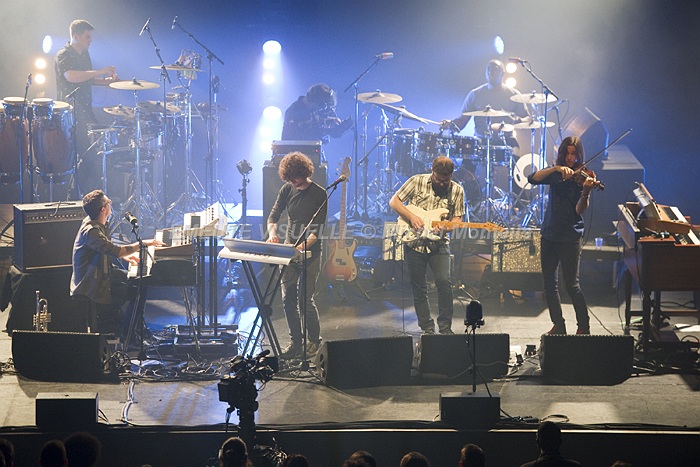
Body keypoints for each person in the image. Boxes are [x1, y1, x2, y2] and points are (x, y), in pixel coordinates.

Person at [389, 156, 465, 335]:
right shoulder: (417, 181)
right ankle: (427, 327)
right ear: (432, 172)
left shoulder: (457, 190)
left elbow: (457, 218)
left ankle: (445, 327)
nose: (442, 183)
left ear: (451, 175)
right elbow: (394, 201)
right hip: (414, 242)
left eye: (446, 180)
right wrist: (411, 216)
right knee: (419, 287)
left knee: (444, 282)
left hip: (439, 243)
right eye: (439, 179)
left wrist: (447, 227)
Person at [70, 189, 163, 334]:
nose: (111, 204)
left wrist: (124, 257)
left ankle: (131, 328)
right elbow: (115, 250)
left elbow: (105, 249)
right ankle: (128, 333)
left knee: (140, 282)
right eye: (108, 202)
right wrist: (143, 243)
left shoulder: (96, 223)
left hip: (102, 274)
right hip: (92, 283)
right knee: (137, 287)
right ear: (103, 209)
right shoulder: (91, 231)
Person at [526, 136, 594, 335]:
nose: (570, 158)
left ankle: (584, 327)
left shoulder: (583, 178)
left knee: (571, 285)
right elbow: (532, 178)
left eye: (574, 154)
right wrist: (556, 168)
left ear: (579, 155)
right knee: (549, 284)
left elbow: (580, 210)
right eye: (567, 153)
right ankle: (559, 325)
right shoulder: (557, 174)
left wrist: (586, 192)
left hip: (570, 236)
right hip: (550, 233)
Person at [267, 152, 327, 358]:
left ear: (305, 173)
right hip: (289, 249)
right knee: (288, 299)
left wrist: (302, 246)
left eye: (296, 178)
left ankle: (314, 341)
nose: (293, 182)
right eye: (290, 178)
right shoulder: (287, 189)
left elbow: (317, 231)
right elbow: (273, 216)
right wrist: (272, 234)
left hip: (311, 252)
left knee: (305, 300)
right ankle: (296, 342)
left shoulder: (319, 194)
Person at [54, 19, 119, 193]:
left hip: (85, 111)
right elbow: (71, 76)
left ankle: (79, 192)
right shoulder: (64, 54)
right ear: (76, 36)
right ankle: (76, 194)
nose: (90, 40)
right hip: (71, 114)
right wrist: (100, 71)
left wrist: (106, 82)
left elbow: (87, 79)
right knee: (89, 155)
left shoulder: (84, 54)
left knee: (94, 155)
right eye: (87, 36)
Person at [442, 59, 529, 151]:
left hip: (506, 141)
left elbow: (528, 119)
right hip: (480, 142)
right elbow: (462, 122)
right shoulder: (475, 94)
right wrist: (450, 124)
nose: (490, 72)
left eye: (495, 69)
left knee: (515, 151)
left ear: (503, 73)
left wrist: (519, 120)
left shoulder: (514, 95)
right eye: (488, 69)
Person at [281, 83, 352, 142]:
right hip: (293, 152)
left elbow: (319, 123)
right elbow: (305, 132)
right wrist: (327, 130)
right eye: (322, 106)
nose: (322, 109)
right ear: (317, 101)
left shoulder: (313, 110)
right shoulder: (293, 112)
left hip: (310, 150)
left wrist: (333, 123)